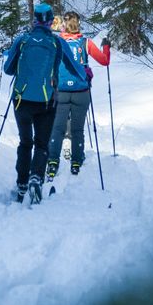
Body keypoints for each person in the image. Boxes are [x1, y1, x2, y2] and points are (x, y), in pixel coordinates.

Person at [2, 3, 82, 203]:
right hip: (46, 101)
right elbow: (74, 67)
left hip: (21, 100)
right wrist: (85, 75)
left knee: (25, 142)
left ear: (34, 20)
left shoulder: (22, 41)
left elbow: (8, 70)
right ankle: (36, 178)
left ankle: (21, 183)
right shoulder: (57, 43)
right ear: (50, 21)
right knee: (41, 143)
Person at [46, 11, 110, 180]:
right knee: (77, 129)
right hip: (81, 91)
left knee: (57, 128)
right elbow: (104, 61)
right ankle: (76, 161)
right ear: (78, 24)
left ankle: (52, 161)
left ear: (64, 25)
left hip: (60, 91)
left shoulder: (57, 42)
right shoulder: (85, 43)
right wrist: (106, 47)